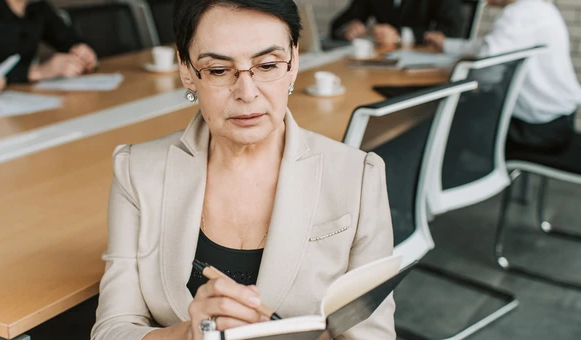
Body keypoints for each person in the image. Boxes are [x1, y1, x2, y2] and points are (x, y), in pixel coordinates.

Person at [91, 1, 395, 339]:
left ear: (293, 63)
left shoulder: (358, 177)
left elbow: (373, 333)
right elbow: (112, 330)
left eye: (267, 66)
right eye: (219, 71)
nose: (247, 94)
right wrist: (190, 335)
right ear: (186, 70)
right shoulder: (137, 171)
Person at [424, 0, 581, 153]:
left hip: (535, 129)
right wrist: (447, 45)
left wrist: (455, 71)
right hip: (557, 121)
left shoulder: (516, 14)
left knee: (441, 123)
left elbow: (486, 72)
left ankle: (460, 178)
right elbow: (485, 46)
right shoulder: (541, 7)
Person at [0, 0, 98, 84]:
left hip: (28, 95)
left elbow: (68, 39)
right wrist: (36, 73)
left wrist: (83, 51)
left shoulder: (38, 8)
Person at [330, 0, 463, 46]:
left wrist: (399, 36)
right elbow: (338, 24)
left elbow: (453, 31)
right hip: (380, 63)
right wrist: (347, 29)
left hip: (422, 66)